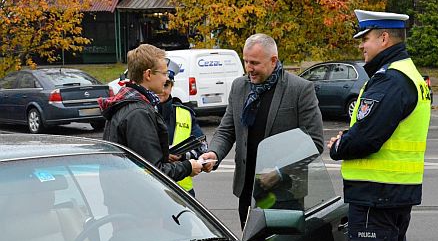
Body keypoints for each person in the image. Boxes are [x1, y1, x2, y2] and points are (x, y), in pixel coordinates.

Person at [328, 10, 431, 241]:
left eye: (366, 39)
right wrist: (351, 137)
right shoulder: (408, 75)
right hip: (393, 193)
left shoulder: (391, 80)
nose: (361, 46)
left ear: (384, 38)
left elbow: (367, 136)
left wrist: (339, 145)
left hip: (376, 196)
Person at [200, 33, 324, 229]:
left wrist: (279, 172)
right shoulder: (239, 86)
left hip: (284, 194)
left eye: (255, 63)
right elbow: (227, 129)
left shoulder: (300, 89)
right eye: (246, 61)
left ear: (273, 60)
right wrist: (214, 153)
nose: (249, 68)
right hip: (247, 190)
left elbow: (314, 142)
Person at [99, 44, 202, 182]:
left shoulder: (128, 104)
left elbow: (138, 158)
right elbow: (153, 171)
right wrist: (188, 167)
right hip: (135, 199)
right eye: (164, 73)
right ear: (148, 74)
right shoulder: (138, 112)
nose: (166, 79)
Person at [157, 74, 208, 197]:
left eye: (166, 85)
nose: (162, 90)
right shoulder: (141, 112)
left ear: (171, 86)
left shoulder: (185, 113)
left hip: (183, 192)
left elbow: (202, 148)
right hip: (152, 190)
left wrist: (182, 155)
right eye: (160, 85)